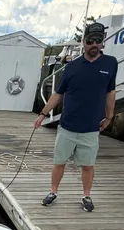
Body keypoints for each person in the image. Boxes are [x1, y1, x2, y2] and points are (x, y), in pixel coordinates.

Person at [34, 22, 117, 212]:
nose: (94, 44)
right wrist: (43, 114)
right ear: (83, 42)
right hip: (67, 126)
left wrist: (109, 116)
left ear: (102, 42)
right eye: (90, 40)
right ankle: (53, 192)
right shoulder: (72, 67)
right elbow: (58, 93)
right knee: (59, 162)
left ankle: (86, 195)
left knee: (88, 165)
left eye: (98, 40)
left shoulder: (110, 63)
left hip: (90, 128)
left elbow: (110, 92)